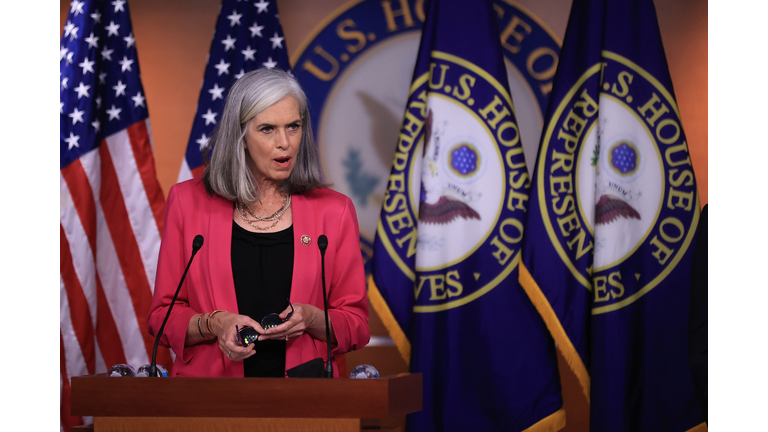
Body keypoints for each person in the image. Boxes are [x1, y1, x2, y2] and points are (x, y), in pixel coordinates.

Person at [147, 68, 370, 378]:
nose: (285, 143)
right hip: (210, 400)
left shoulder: (334, 212)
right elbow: (162, 316)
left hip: (304, 402)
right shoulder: (188, 203)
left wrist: (312, 318)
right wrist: (215, 323)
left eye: (293, 126)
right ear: (240, 137)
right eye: (267, 129)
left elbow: (357, 326)